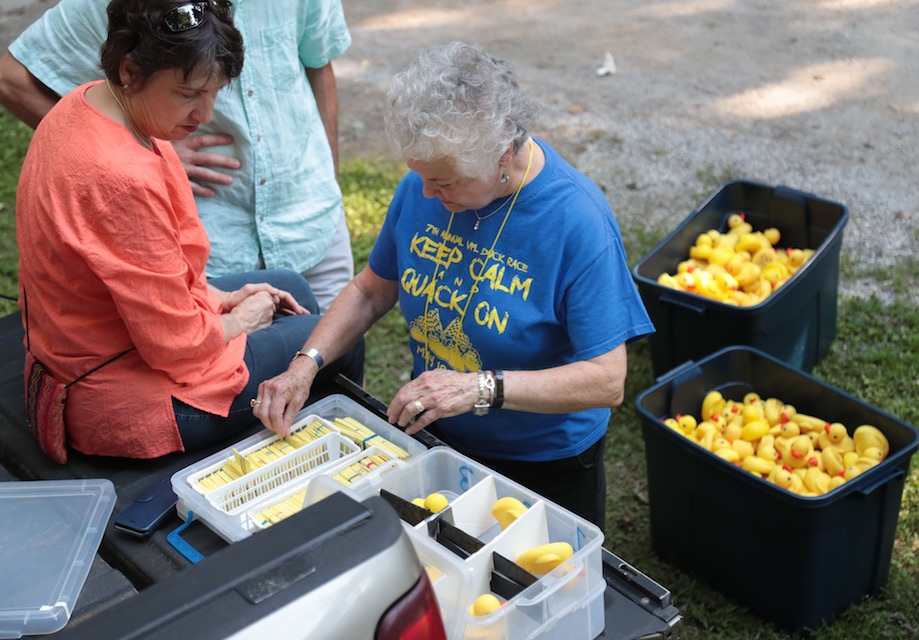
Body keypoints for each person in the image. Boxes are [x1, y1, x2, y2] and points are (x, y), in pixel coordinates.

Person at [253, 42, 655, 529]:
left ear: (503, 155)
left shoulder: (577, 221)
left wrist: (478, 388)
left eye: (445, 182)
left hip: (541, 462)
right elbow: (370, 290)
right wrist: (305, 365)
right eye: (423, 177)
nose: (427, 193)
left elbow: (607, 380)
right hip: (437, 431)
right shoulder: (424, 188)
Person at [16, 0, 359, 460]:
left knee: (291, 288)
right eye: (188, 94)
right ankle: (331, 457)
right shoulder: (122, 179)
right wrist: (240, 320)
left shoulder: (85, 101)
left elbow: (143, 283)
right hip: (121, 397)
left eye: (214, 93)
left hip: (106, 342)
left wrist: (221, 299)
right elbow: (175, 346)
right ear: (131, 70)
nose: (205, 113)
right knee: (335, 343)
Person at [0, 0, 355, 315]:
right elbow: (11, 78)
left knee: (341, 358)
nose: (204, 112)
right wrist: (138, 147)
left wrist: (329, 178)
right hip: (210, 245)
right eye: (188, 93)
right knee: (237, 366)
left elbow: (318, 64)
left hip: (311, 217)